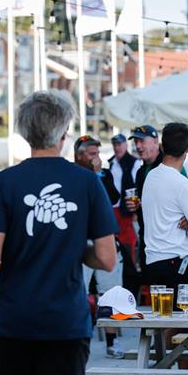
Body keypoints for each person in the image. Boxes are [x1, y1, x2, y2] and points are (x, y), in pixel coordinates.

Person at [0, 91, 118, 375]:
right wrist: (75, 249)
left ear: (25, 133)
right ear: (64, 133)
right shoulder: (88, 183)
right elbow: (107, 260)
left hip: (13, 320)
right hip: (65, 322)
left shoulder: (2, 183)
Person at [140, 122, 188, 375]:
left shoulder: (150, 177)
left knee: (164, 325)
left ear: (163, 146)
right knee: (178, 327)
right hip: (178, 262)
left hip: (153, 259)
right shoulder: (182, 184)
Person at [74, 135, 126, 359]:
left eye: (98, 153)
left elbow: (114, 198)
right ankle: (79, 339)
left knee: (111, 291)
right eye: (92, 154)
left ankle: (112, 342)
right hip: (81, 240)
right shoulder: (73, 175)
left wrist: (99, 175)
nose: (97, 158)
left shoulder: (103, 175)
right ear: (80, 155)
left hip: (104, 238)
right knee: (79, 291)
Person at [123, 125, 161, 268]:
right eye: (136, 142)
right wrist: (137, 205)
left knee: (165, 288)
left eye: (142, 141)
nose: (138, 146)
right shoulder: (141, 171)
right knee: (150, 285)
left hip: (165, 240)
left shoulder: (168, 166)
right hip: (146, 236)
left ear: (156, 142)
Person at [108, 134, 142, 265]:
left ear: (125, 145)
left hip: (126, 209)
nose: (117, 147)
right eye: (115, 145)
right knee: (115, 241)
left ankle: (130, 268)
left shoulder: (134, 162)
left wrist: (135, 210)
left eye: (119, 144)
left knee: (128, 240)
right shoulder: (111, 162)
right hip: (112, 208)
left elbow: (137, 185)